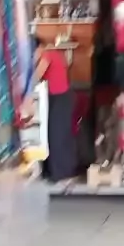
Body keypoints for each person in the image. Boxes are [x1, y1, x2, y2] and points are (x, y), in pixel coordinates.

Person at [33, 37, 77, 185]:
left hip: (61, 98)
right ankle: (57, 172)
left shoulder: (48, 54)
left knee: (57, 136)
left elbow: (36, 77)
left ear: (39, 47)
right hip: (59, 98)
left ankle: (62, 174)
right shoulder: (54, 53)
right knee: (56, 135)